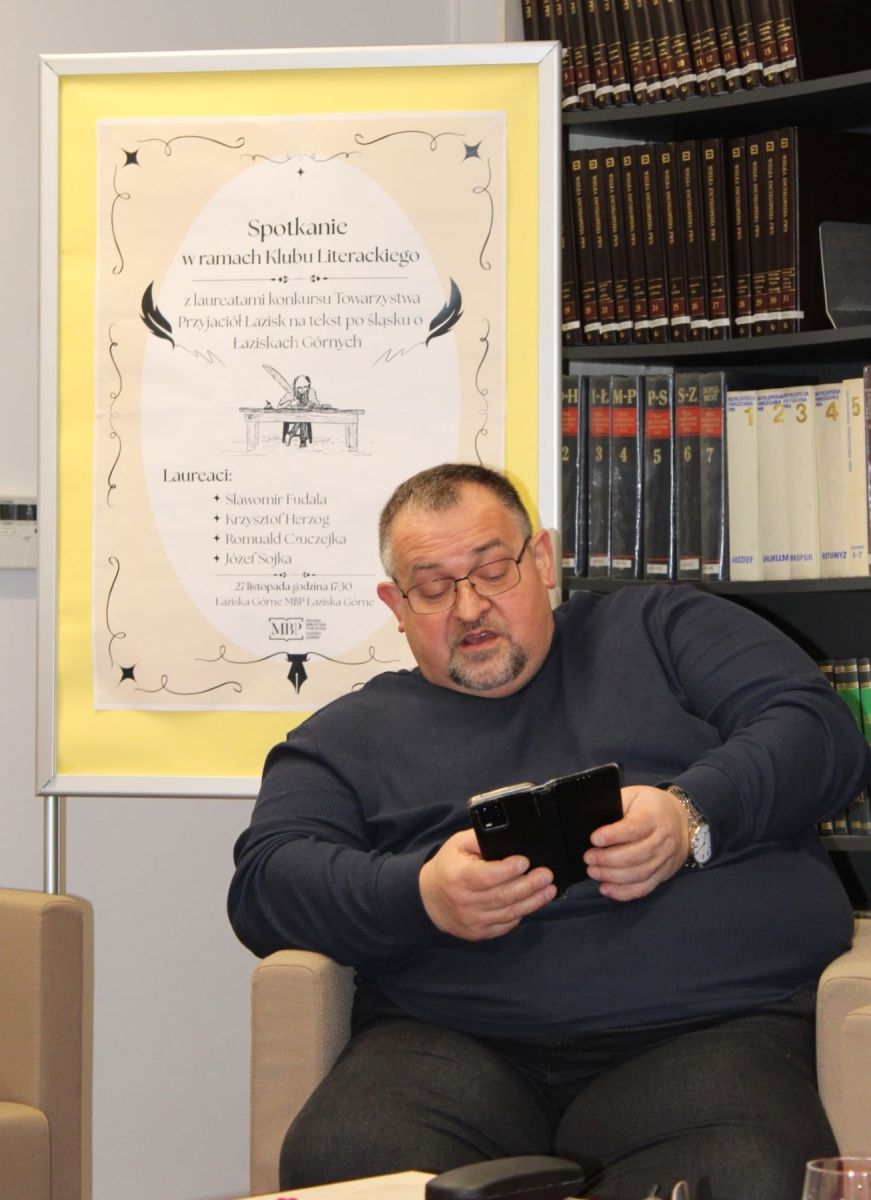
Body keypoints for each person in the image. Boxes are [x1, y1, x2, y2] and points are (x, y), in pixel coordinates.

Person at [228, 462, 871, 1200]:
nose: (469, 607)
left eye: (491, 571)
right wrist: (421, 895)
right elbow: (266, 883)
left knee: (744, 1171)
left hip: (708, 1029)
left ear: (539, 561)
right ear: (395, 605)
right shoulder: (345, 737)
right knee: (345, 1157)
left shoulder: (662, 629)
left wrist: (688, 813)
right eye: (433, 588)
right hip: (449, 1044)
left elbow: (816, 730)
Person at [279, 374, 319, 447]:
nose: (303, 390)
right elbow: (279, 406)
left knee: (303, 417)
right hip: (292, 416)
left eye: (305, 387)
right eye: (299, 388)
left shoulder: (311, 391)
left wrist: (312, 404)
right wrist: (290, 403)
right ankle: (303, 441)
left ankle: (290, 434)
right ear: (295, 386)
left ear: (309, 385)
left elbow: (317, 404)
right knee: (303, 418)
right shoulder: (290, 392)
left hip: (305, 416)